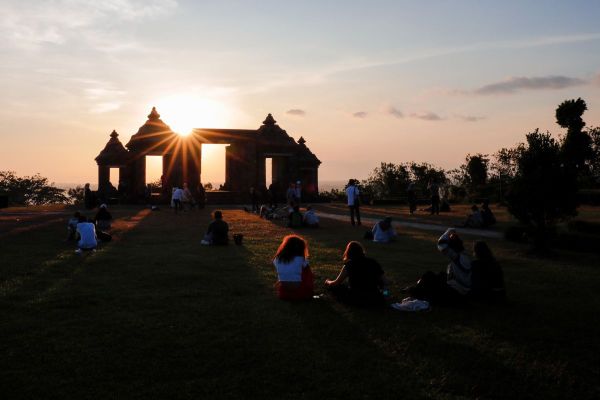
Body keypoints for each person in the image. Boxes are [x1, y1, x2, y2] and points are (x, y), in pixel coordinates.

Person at [407, 228, 472, 304]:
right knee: (439, 275)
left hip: (456, 292)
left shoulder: (456, 256)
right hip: (461, 290)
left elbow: (441, 244)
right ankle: (415, 290)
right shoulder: (464, 255)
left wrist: (448, 231)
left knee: (429, 277)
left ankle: (415, 291)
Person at [325, 241, 388, 306]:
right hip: (375, 299)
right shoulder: (373, 262)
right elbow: (385, 282)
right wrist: (385, 294)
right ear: (361, 251)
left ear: (348, 252)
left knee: (337, 287)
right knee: (383, 286)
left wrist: (328, 282)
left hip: (355, 299)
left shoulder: (348, 265)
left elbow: (336, 283)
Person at [273, 235, 314, 300]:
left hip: (283, 294)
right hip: (301, 293)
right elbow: (309, 273)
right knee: (306, 270)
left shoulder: (277, 259)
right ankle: (307, 290)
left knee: (286, 271)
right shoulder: (301, 259)